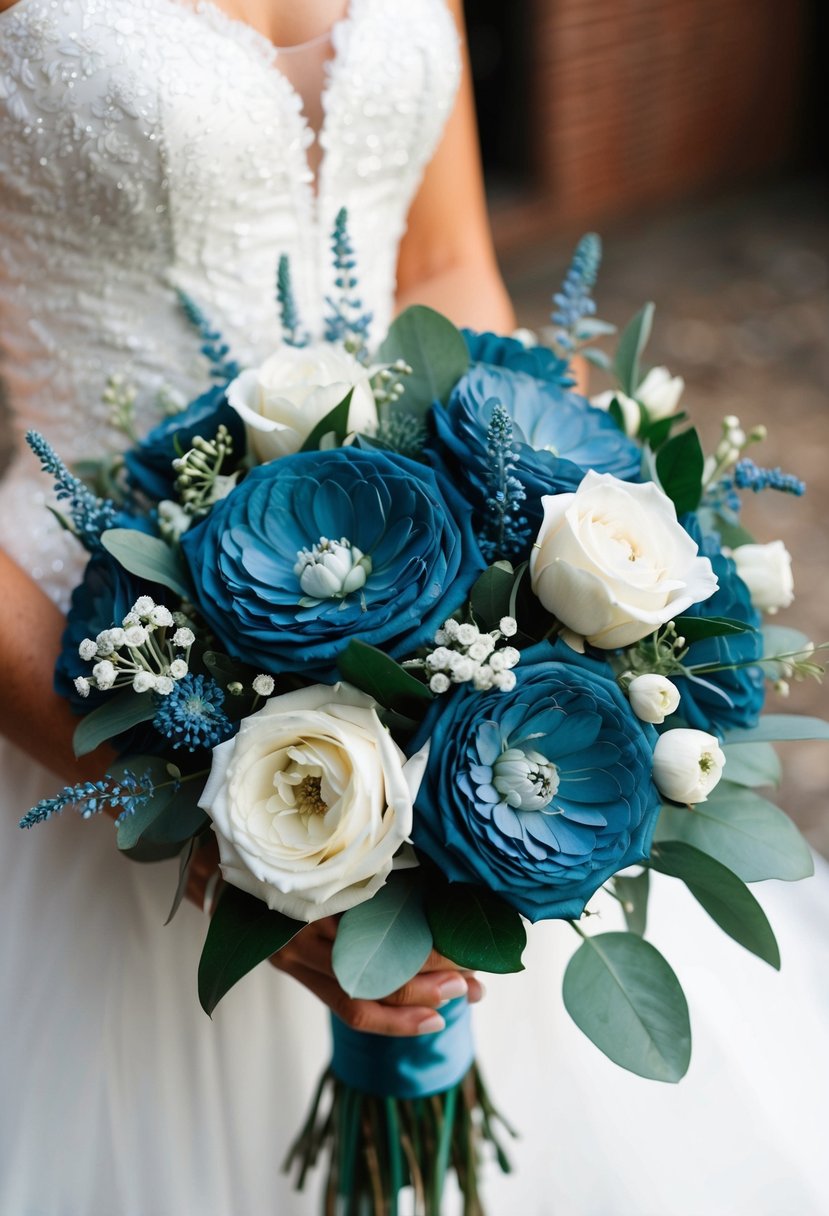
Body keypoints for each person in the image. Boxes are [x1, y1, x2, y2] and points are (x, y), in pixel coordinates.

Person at [1, 3, 828, 1214]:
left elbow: (441, 264)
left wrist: (575, 566)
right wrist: (222, 832)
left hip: (438, 574)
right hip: (98, 644)